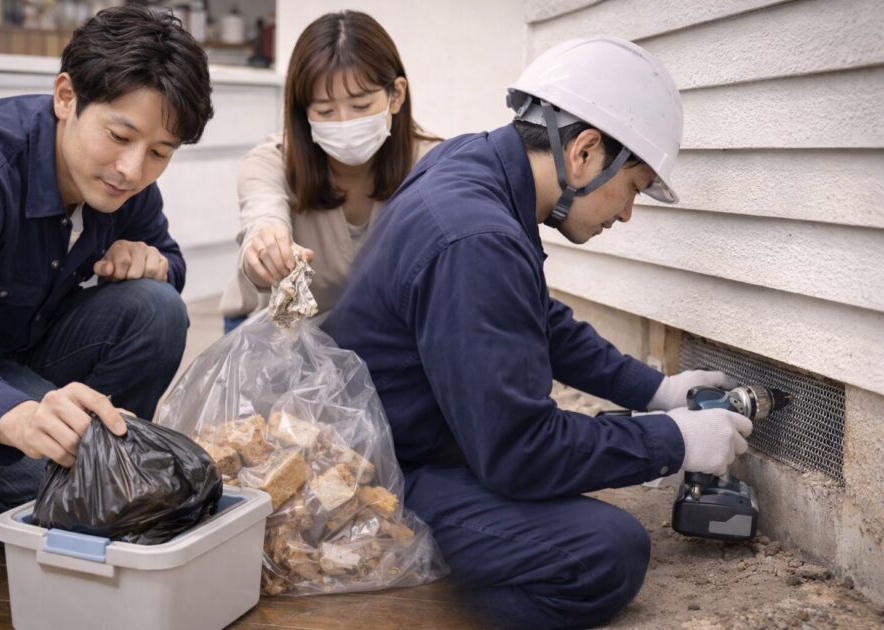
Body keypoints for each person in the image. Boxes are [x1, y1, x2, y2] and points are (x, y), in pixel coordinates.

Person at [322, 37, 752, 628]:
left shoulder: (474, 167)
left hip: (392, 439)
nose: (627, 213)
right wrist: (672, 441)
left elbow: (535, 319)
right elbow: (520, 453)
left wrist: (656, 392)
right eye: (633, 186)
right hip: (375, 483)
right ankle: (379, 606)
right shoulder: (477, 238)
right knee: (603, 551)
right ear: (584, 151)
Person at [0, 6, 213, 558]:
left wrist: (155, 262)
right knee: (91, 487)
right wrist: (17, 419)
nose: (132, 170)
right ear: (66, 96)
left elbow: (172, 262)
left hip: (12, 354)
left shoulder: (124, 185)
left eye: (160, 153)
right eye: (119, 136)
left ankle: (60, 485)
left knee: (155, 308)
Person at [219, 10, 439, 332]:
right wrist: (266, 248)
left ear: (396, 95)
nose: (345, 122)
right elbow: (262, 215)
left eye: (361, 106)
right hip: (279, 335)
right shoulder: (271, 161)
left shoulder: (435, 165)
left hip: (383, 336)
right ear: (302, 112)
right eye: (325, 110)